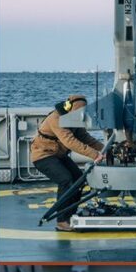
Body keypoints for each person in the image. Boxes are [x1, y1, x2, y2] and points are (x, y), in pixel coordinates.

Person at [30, 94, 104, 231]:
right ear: (72, 109)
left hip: (59, 155)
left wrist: (104, 149)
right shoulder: (56, 118)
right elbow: (69, 141)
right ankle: (62, 220)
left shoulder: (74, 118)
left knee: (79, 180)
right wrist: (94, 155)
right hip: (43, 155)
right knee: (66, 180)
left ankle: (71, 214)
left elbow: (85, 137)